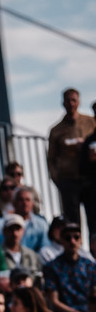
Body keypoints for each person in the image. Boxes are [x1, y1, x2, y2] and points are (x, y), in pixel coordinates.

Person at [47, 88, 94, 224]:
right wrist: (58, 180)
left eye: (73, 100)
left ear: (78, 102)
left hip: (90, 178)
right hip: (68, 180)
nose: (71, 103)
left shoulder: (90, 123)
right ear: (63, 103)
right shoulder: (56, 130)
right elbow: (51, 158)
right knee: (72, 222)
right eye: (68, 100)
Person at [43, 220, 96, 312]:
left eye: (76, 237)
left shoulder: (90, 266)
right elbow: (54, 301)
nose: (72, 241)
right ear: (61, 240)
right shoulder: (52, 267)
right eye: (68, 238)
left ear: (81, 240)